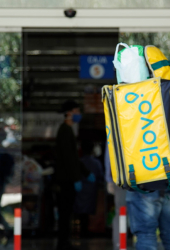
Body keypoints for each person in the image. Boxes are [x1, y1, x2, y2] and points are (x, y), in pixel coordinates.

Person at [54, 100, 90, 250]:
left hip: (68, 179)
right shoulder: (64, 131)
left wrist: (85, 173)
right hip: (66, 181)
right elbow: (69, 158)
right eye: (76, 111)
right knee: (65, 213)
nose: (78, 114)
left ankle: (64, 242)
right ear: (68, 113)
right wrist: (76, 178)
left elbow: (73, 158)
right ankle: (63, 243)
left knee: (67, 212)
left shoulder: (68, 130)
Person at [73, 140, 103, 238]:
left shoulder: (79, 162)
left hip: (80, 192)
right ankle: (85, 232)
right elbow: (101, 177)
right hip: (91, 192)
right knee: (87, 213)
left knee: (81, 213)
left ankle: (82, 231)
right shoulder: (96, 163)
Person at [104, 142, 127, 250]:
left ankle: (120, 247)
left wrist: (109, 179)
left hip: (121, 175)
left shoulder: (116, 124)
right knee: (145, 213)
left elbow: (110, 148)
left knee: (121, 212)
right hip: (146, 174)